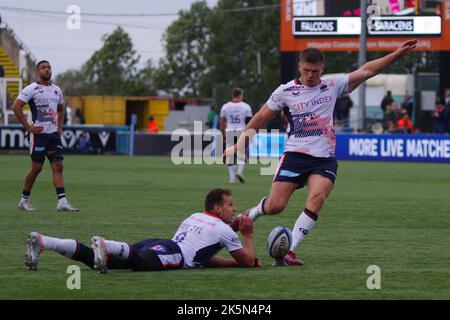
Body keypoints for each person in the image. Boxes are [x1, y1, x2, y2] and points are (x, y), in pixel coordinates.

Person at [225, 39, 418, 265]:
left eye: (315, 71)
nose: (310, 75)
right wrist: (240, 144)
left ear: (322, 69)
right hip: (295, 155)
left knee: (317, 198)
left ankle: (290, 250)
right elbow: (260, 117)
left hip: (323, 159)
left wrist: (396, 54)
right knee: (276, 206)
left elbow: (366, 71)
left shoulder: (332, 84)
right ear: (299, 67)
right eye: (306, 70)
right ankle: (251, 214)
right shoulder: (285, 91)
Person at [24, 188, 260, 273]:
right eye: (230, 205)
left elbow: (205, 257)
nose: (235, 208)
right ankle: (106, 244)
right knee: (143, 264)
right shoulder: (224, 231)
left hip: (158, 243)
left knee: (112, 262)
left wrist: (232, 259)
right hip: (173, 253)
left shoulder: (196, 216)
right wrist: (247, 234)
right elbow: (248, 262)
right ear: (217, 208)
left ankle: (45, 242)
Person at [12, 60, 78, 212]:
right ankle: (24, 200)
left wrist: (59, 127)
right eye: (43, 68)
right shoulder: (31, 88)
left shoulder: (57, 90)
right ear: (37, 71)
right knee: (36, 168)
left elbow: (61, 109)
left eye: (49, 67)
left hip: (53, 135)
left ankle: (62, 202)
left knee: (58, 165)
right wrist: (28, 127)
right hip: (39, 135)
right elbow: (16, 107)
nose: (47, 70)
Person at [220, 88, 253, 184]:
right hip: (241, 131)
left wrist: (222, 133)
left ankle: (232, 178)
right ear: (240, 95)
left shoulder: (225, 106)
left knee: (230, 154)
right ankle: (239, 172)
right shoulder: (246, 106)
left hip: (229, 131)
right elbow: (249, 122)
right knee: (241, 153)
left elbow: (222, 121)